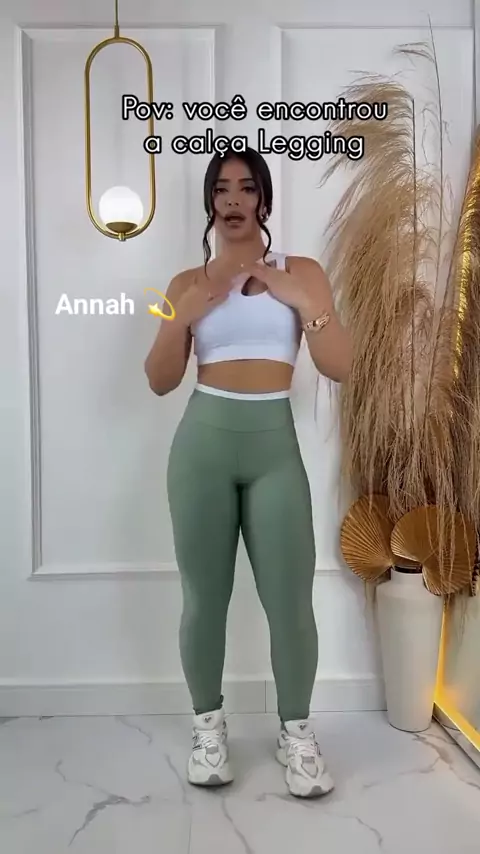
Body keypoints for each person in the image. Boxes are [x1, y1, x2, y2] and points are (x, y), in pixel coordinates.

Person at [144, 146, 352, 799]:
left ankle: (297, 735)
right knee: (204, 599)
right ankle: (209, 732)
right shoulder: (185, 283)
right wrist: (183, 316)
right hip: (202, 447)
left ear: (263, 199)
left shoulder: (302, 272)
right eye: (222, 188)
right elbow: (158, 380)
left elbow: (341, 365)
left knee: (290, 601)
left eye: (246, 187)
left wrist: (304, 303)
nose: (233, 199)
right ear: (210, 201)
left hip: (273, 452)